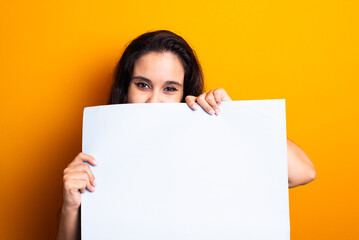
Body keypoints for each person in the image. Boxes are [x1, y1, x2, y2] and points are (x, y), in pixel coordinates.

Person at [56, 30, 316, 240]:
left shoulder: (208, 147)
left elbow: (304, 172)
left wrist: (236, 118)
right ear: (126, 88)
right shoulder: (100, 156)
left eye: (169, 88)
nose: (153, 101)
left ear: (184, 93)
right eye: (143, 85)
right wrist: (71, 206)